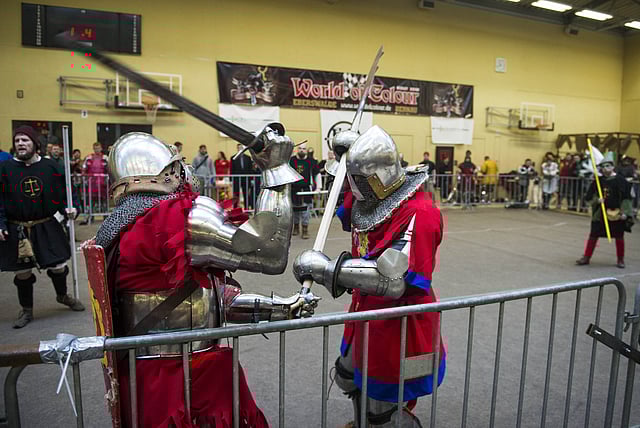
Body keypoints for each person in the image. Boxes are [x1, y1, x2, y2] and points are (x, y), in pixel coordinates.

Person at [89, 129, 318, 427]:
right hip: (191, 376)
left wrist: (281, 307)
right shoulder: (176, 216)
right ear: (168, 173)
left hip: (147, 375)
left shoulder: (122, 228)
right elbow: (270, 252)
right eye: (177, 163)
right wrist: (275, 169)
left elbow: (200, 299)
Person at [293, 126, 446, 428]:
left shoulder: (421, 212)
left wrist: (327, 270)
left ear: (379, 176)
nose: (356, 187)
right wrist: (346, 162)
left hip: (399, 322)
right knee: (348, 376)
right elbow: (348, 208)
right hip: (365, 312)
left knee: (382, 408)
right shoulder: (371, 199)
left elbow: (396, 279)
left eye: (360, 180)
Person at [0, 126, 84, 329]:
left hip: (46, 224)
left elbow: (67, 192)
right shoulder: (5, 169)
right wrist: (0, 222)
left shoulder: (50, 167)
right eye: (18, 140)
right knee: (23, 272)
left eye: (25, 140)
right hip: (18, 228)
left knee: (58, 265)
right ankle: (26, 309)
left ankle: (62, 295)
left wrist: (71, 208)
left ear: (35, 144)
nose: (20, 143)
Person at [576, 153, 633, 268]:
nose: (605, 169)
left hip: (616, 212)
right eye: (602, 167)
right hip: (600, 213)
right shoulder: (598, 181)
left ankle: (620, 259)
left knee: (619, 236)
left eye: (607, 166)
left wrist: (625, 213)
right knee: (593, 234)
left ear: (612, 167)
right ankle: (586, 257)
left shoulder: (621, 181)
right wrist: (597, 200)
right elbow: (589, 197)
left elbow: (627, 198)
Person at [289, 143, 320, 239]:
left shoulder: (312, 161)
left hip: (306, 189)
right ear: (297, 149)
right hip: (294, 190)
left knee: (305, 210)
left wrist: (319, 187)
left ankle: (305, 229)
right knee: (295, 210)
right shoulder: (291, 161)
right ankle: (296, 227)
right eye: (300, 148)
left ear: (306, 150)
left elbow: (317, 174)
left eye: (304, 148)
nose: (302, 150)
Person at [83, 142, 109, 215]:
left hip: (103, 184)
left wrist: (107, 180)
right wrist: (85, 178)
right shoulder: (89, 158)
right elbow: (84, 169)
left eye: (98, 148)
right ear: (93, 149)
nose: (97, 150)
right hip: (92, 184)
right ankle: (90, 217)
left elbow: (109, 169)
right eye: (95, 148)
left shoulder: (105, 158)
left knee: (104, 200)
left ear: (101, 148)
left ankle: (105, 216)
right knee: (91, 200)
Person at [231, 143, 255, 209]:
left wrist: (251, 179)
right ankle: (235, 208)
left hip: (246, 179)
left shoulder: (248, 158)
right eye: (239, 148)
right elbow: (232, 169)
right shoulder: (233, 158)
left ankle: (246, 209)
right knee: (236, 195)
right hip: (236, 179)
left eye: (242, 148)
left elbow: (250, 169)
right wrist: (231, 180)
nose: (240, 149)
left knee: (246, 195)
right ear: (237, 149)